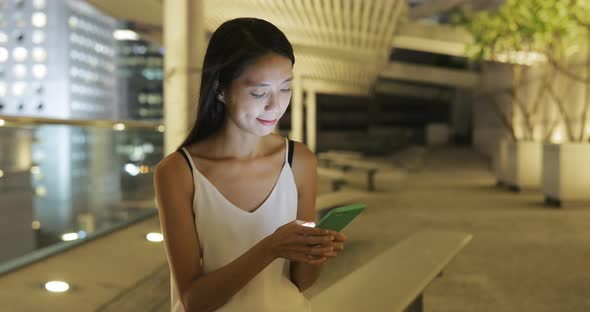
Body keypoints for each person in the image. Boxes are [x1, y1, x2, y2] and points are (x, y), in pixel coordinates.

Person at [154, 17, 346, 312]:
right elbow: (194, 300)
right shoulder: (178, 173)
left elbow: (300, 281)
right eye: (259, 92)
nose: (275, 105)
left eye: (285, 88)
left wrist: (315, 252)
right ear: (220, 89)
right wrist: (270, 248)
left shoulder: (299, 162)